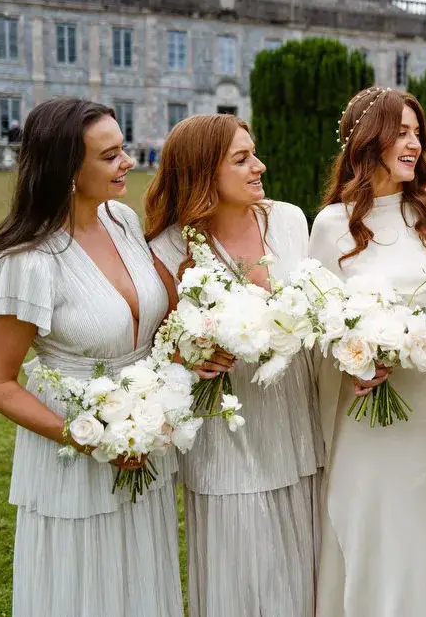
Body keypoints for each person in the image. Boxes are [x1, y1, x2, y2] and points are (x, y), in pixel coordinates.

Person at [0, 98, 182, 616]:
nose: (128, 162)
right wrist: (88, 438)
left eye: (123, 148)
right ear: (68, 168)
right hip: (73, 453)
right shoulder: (25, 263)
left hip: (144, 439)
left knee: (140, 581)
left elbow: (154, 316)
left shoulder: (123, 220)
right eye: (110, 157)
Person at [309, 87, 426, 617]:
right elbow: (317, 322)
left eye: (417, 133)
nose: (413, 143)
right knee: (375, 522)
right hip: (370, 412)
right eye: (400, 132)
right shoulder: (332, 225)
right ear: (369, 142)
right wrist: (352, 358)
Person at [144, 114, 323, 617]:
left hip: (294, 418)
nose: (259, 166)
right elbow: (156, 350)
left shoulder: (287, 220)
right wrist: (189, 352)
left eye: (255, 153)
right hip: (226, 430)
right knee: (244, 569)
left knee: (303, 561)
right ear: (203, 172)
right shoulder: (168, 248)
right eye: (242, 159)